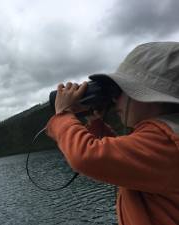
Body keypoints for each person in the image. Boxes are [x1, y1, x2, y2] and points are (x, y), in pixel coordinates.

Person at [46, 42, 179, 225]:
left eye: (121, 91)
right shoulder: (167, 135)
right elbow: (122, 158)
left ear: (149, 97)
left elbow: (86, 156)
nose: (115, 100)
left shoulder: (165, 139)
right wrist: (95, 122)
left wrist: (63, 114)